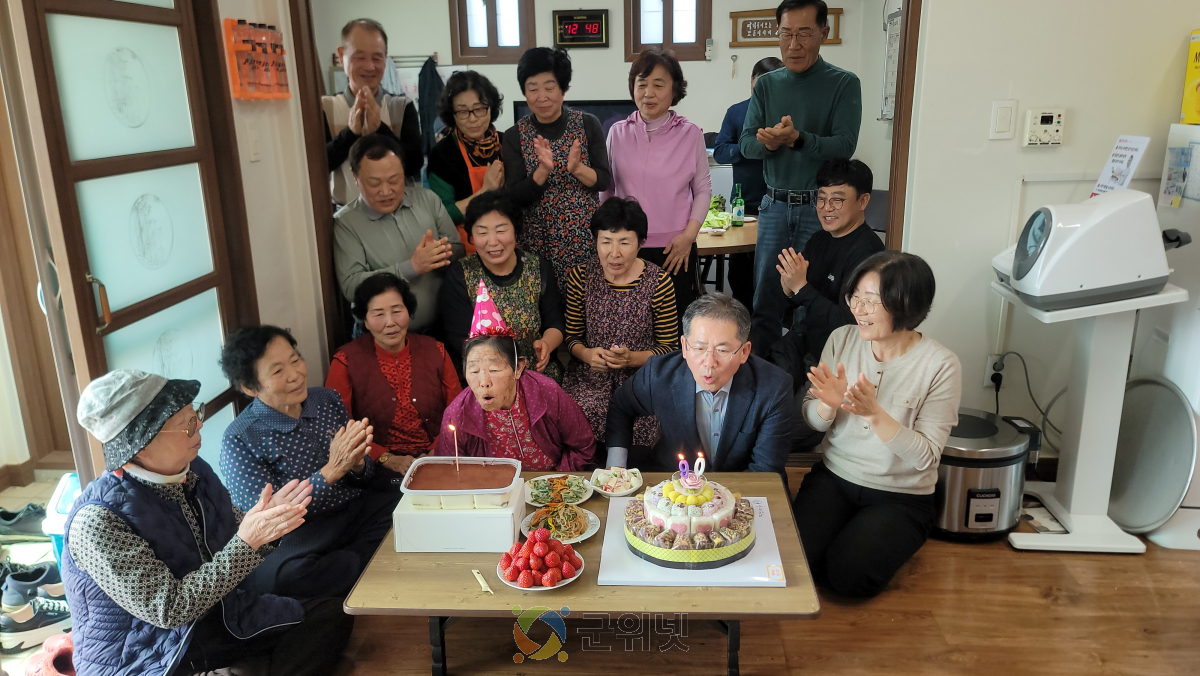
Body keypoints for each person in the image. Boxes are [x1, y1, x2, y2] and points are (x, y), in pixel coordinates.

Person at [65, 370, 352, 676]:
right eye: (186, 424)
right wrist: (248, 541)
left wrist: (269, 521)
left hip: (219, 618)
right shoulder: (97, 521)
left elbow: (232, 530)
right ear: (142, 444)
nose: (199, 425)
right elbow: (169, 608)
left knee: (332, 615)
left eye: (195, 414)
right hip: (149, 656)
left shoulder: (193, 469)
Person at [792, 251, 961, 598]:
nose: (859, 309)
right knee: (794, 562)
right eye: (855, 296)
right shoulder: (842, 339)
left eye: (872, 300)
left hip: (901, 495)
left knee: (849, 579)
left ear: (906, 304)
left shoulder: (941, 365)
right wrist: (827, 405)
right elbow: (811, 419)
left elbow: (926, 457)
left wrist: (874, 413)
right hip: (835, 478)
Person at [220, 326, 401, 599]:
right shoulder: (240, 438)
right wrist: (331, 471)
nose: (295, 375)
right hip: (301, 536)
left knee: (405, 511)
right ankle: (366, 566)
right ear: (249, 387)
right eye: (278, 371)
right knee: (285, 578)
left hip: (353, 511)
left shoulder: (326, 399)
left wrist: (356, 465)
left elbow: (364, 475)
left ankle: (351, 570)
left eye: (295, 360)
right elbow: (266, 521)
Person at [740, 0, 862, 358]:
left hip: (820, 209)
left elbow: (845, 145)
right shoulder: (766, 86)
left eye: (804, 33)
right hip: (774, 206)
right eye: (786, 33)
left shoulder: (843, 83)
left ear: (823, 34)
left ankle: (807, 384)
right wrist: (769, 142)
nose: (793, 44)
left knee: (812, 301)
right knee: (765, 301)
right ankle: (759, 380)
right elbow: (746, 144)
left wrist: (798, 138)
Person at [606, 294, 794, 476]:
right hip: (672, 481)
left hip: (741, 485)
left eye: (722, 350)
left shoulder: (774, 387)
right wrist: (616, 467)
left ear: (744, 352)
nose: (709, 362)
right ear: (685, 347)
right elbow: (621, 406)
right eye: (699, 348)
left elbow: (764, 471)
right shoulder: (659, 374)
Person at [561, 197, 678, 454]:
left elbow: (670, 348)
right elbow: (572, 337)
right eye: (606, 242)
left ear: (640, 243)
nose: (614, 253)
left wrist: (631, 359)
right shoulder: (580, 277)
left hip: (643, 377)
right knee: (580, 411)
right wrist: (588, 354)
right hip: (591, 375)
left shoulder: (659, 282)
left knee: (647, 418)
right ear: (595, 242)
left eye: (625, 242)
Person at [602, 48, 711, 323]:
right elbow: (607, 190)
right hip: (627, 247)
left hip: (675, 248)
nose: (648, 93)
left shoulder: (691, 134)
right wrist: (609, 239)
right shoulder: (617, 132)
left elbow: (702, 190)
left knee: (674, 324)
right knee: (630, 324)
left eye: (658, 84)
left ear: (674, 90)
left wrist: (689, 237)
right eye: (641, 83)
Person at [434, 292, 594, 470]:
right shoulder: (458, 414)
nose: (483, 382)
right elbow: (449, 470)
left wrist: (555, 484)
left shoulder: (547, 392)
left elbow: (583, 445)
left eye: (494, 370)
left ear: (518, 368)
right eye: (474, 371)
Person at [327, 273, 462, 477]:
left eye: (397, 311)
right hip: (375, 469)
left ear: (408, 310)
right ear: (364, 319)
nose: (390, 322)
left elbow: (458, 409)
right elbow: (338, 425)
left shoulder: (436, 350)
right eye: (378, 314)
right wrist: (386, 458)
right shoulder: (345, 360)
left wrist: (437, 450)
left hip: (440, 458)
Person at [772, 158, 885, 390]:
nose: (826, 208)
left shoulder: (870, 255)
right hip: (804, 339)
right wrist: (788, 288)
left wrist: (800, 288)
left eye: (837, 200)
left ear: (863, 201)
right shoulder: (819, 239)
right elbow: (796, 296)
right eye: (821, 199)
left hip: (837, 357)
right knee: (758, 388)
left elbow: (849, 325)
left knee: (792, 419)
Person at [334, 133, 464, 334]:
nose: (386, 191)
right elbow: (352, 286)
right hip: (381, 337)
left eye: (394, 180)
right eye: (375, 183)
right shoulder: (346, 222)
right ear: (355, 177)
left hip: (440, 328)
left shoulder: (427, 200)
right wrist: (412, 267)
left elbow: (458, 248)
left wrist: (440, 255)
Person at [503, 47, 612, 285]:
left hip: (582, 241)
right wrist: (542, 171)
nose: (542, 96)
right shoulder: (514, 136)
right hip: (535, 243)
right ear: (524, 91)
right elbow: (514, 196)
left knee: (580, 308)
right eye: (533, 88)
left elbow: (604, 180)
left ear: (563, 89)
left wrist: (577, 169)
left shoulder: (587, 124)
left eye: (550, 87)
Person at [439, 191, 566, 381]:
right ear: (471, 235)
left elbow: (555, 323)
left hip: (537, 372)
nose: (493, 242)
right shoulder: (460, 276)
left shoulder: (538, 267)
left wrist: (546, 344)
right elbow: (457, 339)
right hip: (485, 379)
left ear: (516, 231)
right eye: (482, 232)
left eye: (501, 231)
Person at [323, 18, 423, 205]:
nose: (370, 66)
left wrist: (381, 129)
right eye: (360, 57)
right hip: (345, 218)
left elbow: (414, 165)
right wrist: (351, 133)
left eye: (377, 58)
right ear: (341, 55)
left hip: (399, 216)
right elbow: (318, 167)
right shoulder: (326, 107)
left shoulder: (402, 107)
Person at [713, 56, 785, 309]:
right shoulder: (737, 111)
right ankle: (742, 318)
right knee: (741, 270)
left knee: (775, 269)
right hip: (746, 202)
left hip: (780, 203)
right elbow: (720, 151)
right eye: (759, 84)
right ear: (751, 82)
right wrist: (751, 148)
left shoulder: (787, 114)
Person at [427, 70, 507, 255]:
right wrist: (485, 191)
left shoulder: (506, 144)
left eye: (479, 109)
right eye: (463, 111)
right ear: (452, 115)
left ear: (491, 108)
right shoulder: (443, 154)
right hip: (466, 249)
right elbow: (443, 215)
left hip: (508, 245)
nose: (473, 119)